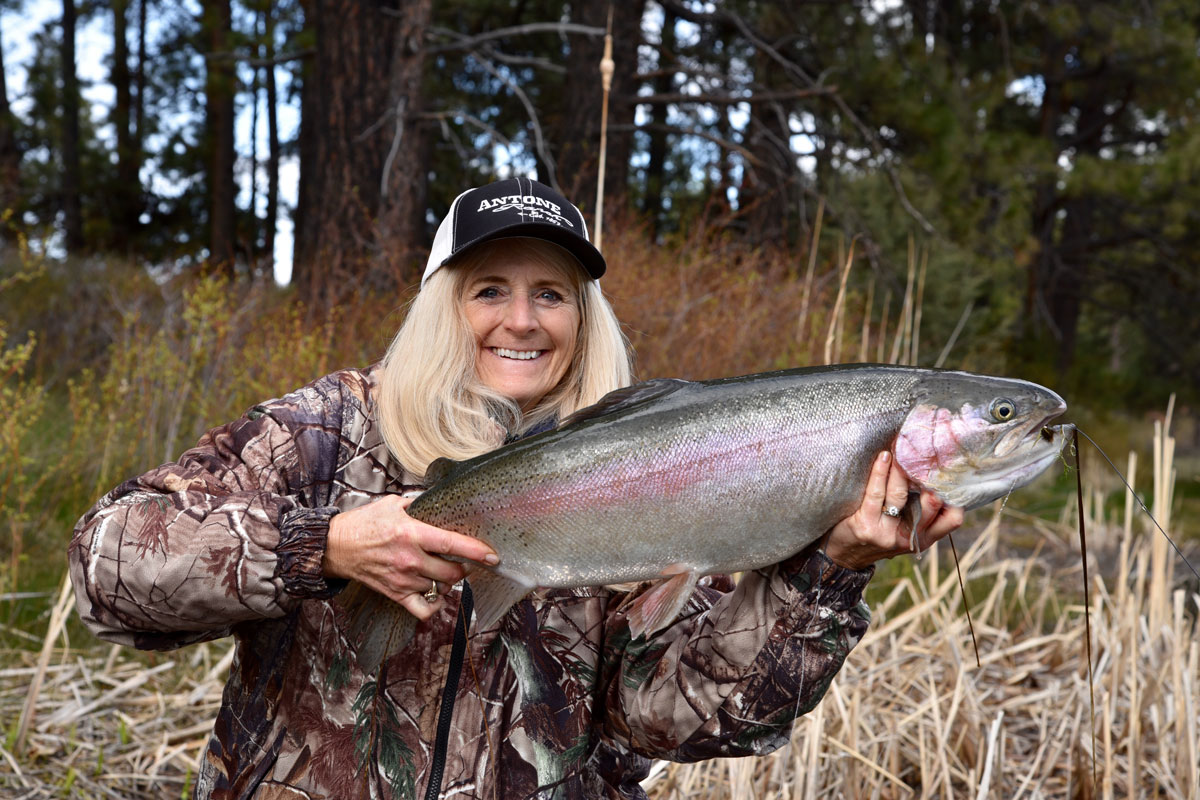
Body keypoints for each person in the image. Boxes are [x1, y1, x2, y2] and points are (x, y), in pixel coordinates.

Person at [69, 177, 964, 799]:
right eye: (489, 288)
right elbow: (107, 565)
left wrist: (828, 574)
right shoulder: (321, 433)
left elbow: (678, 721)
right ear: (441, 304)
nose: (523, 319)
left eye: (554, 293)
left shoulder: (652, 467)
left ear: (584, 316)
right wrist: (326, 545)